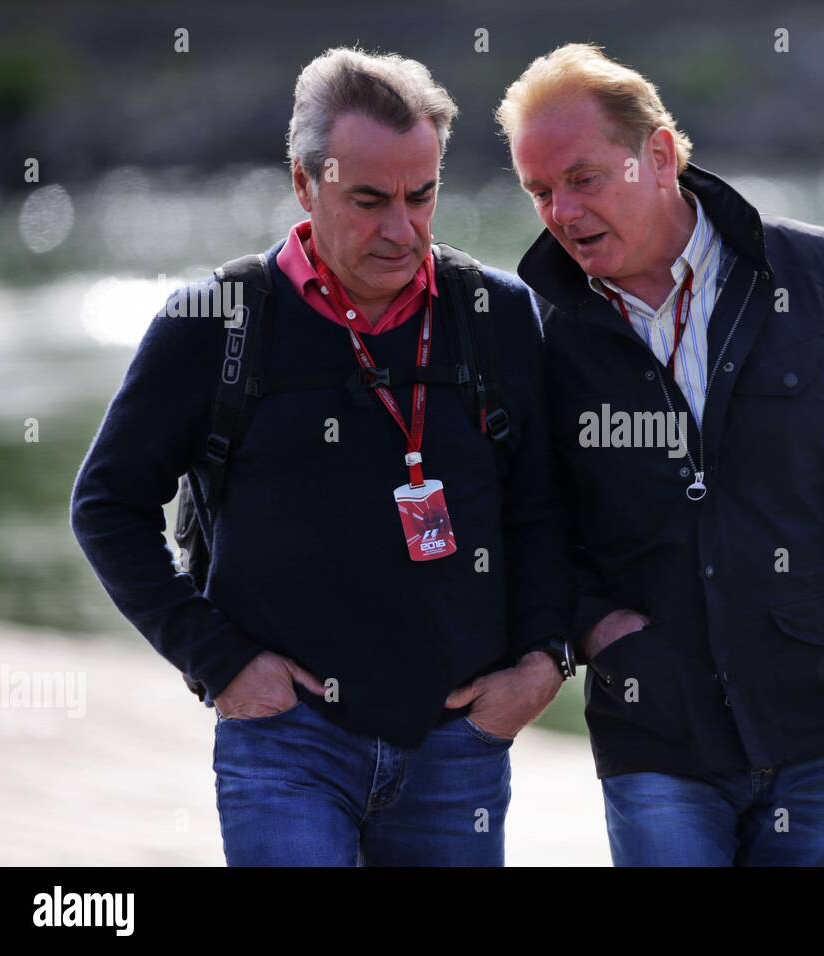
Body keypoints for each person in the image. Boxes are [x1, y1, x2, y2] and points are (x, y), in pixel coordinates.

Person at [70, 46, 575, 866]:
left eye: (423, 196)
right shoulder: (214, 319)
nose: (402, 229)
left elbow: (544, 509)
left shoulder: (498, 312)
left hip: (459, 747)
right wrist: (219, 662)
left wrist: (544, 665)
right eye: (370, 200)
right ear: (306, 185)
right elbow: (106, 507)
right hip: (285, 742)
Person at [497, 43, 824, 866]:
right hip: (656, 729)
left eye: (583, 179)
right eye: (540, 191)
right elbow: (526, 511)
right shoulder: (536, 325)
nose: (562, 213)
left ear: (658, 155)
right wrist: (589, 625)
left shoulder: (815, 274)